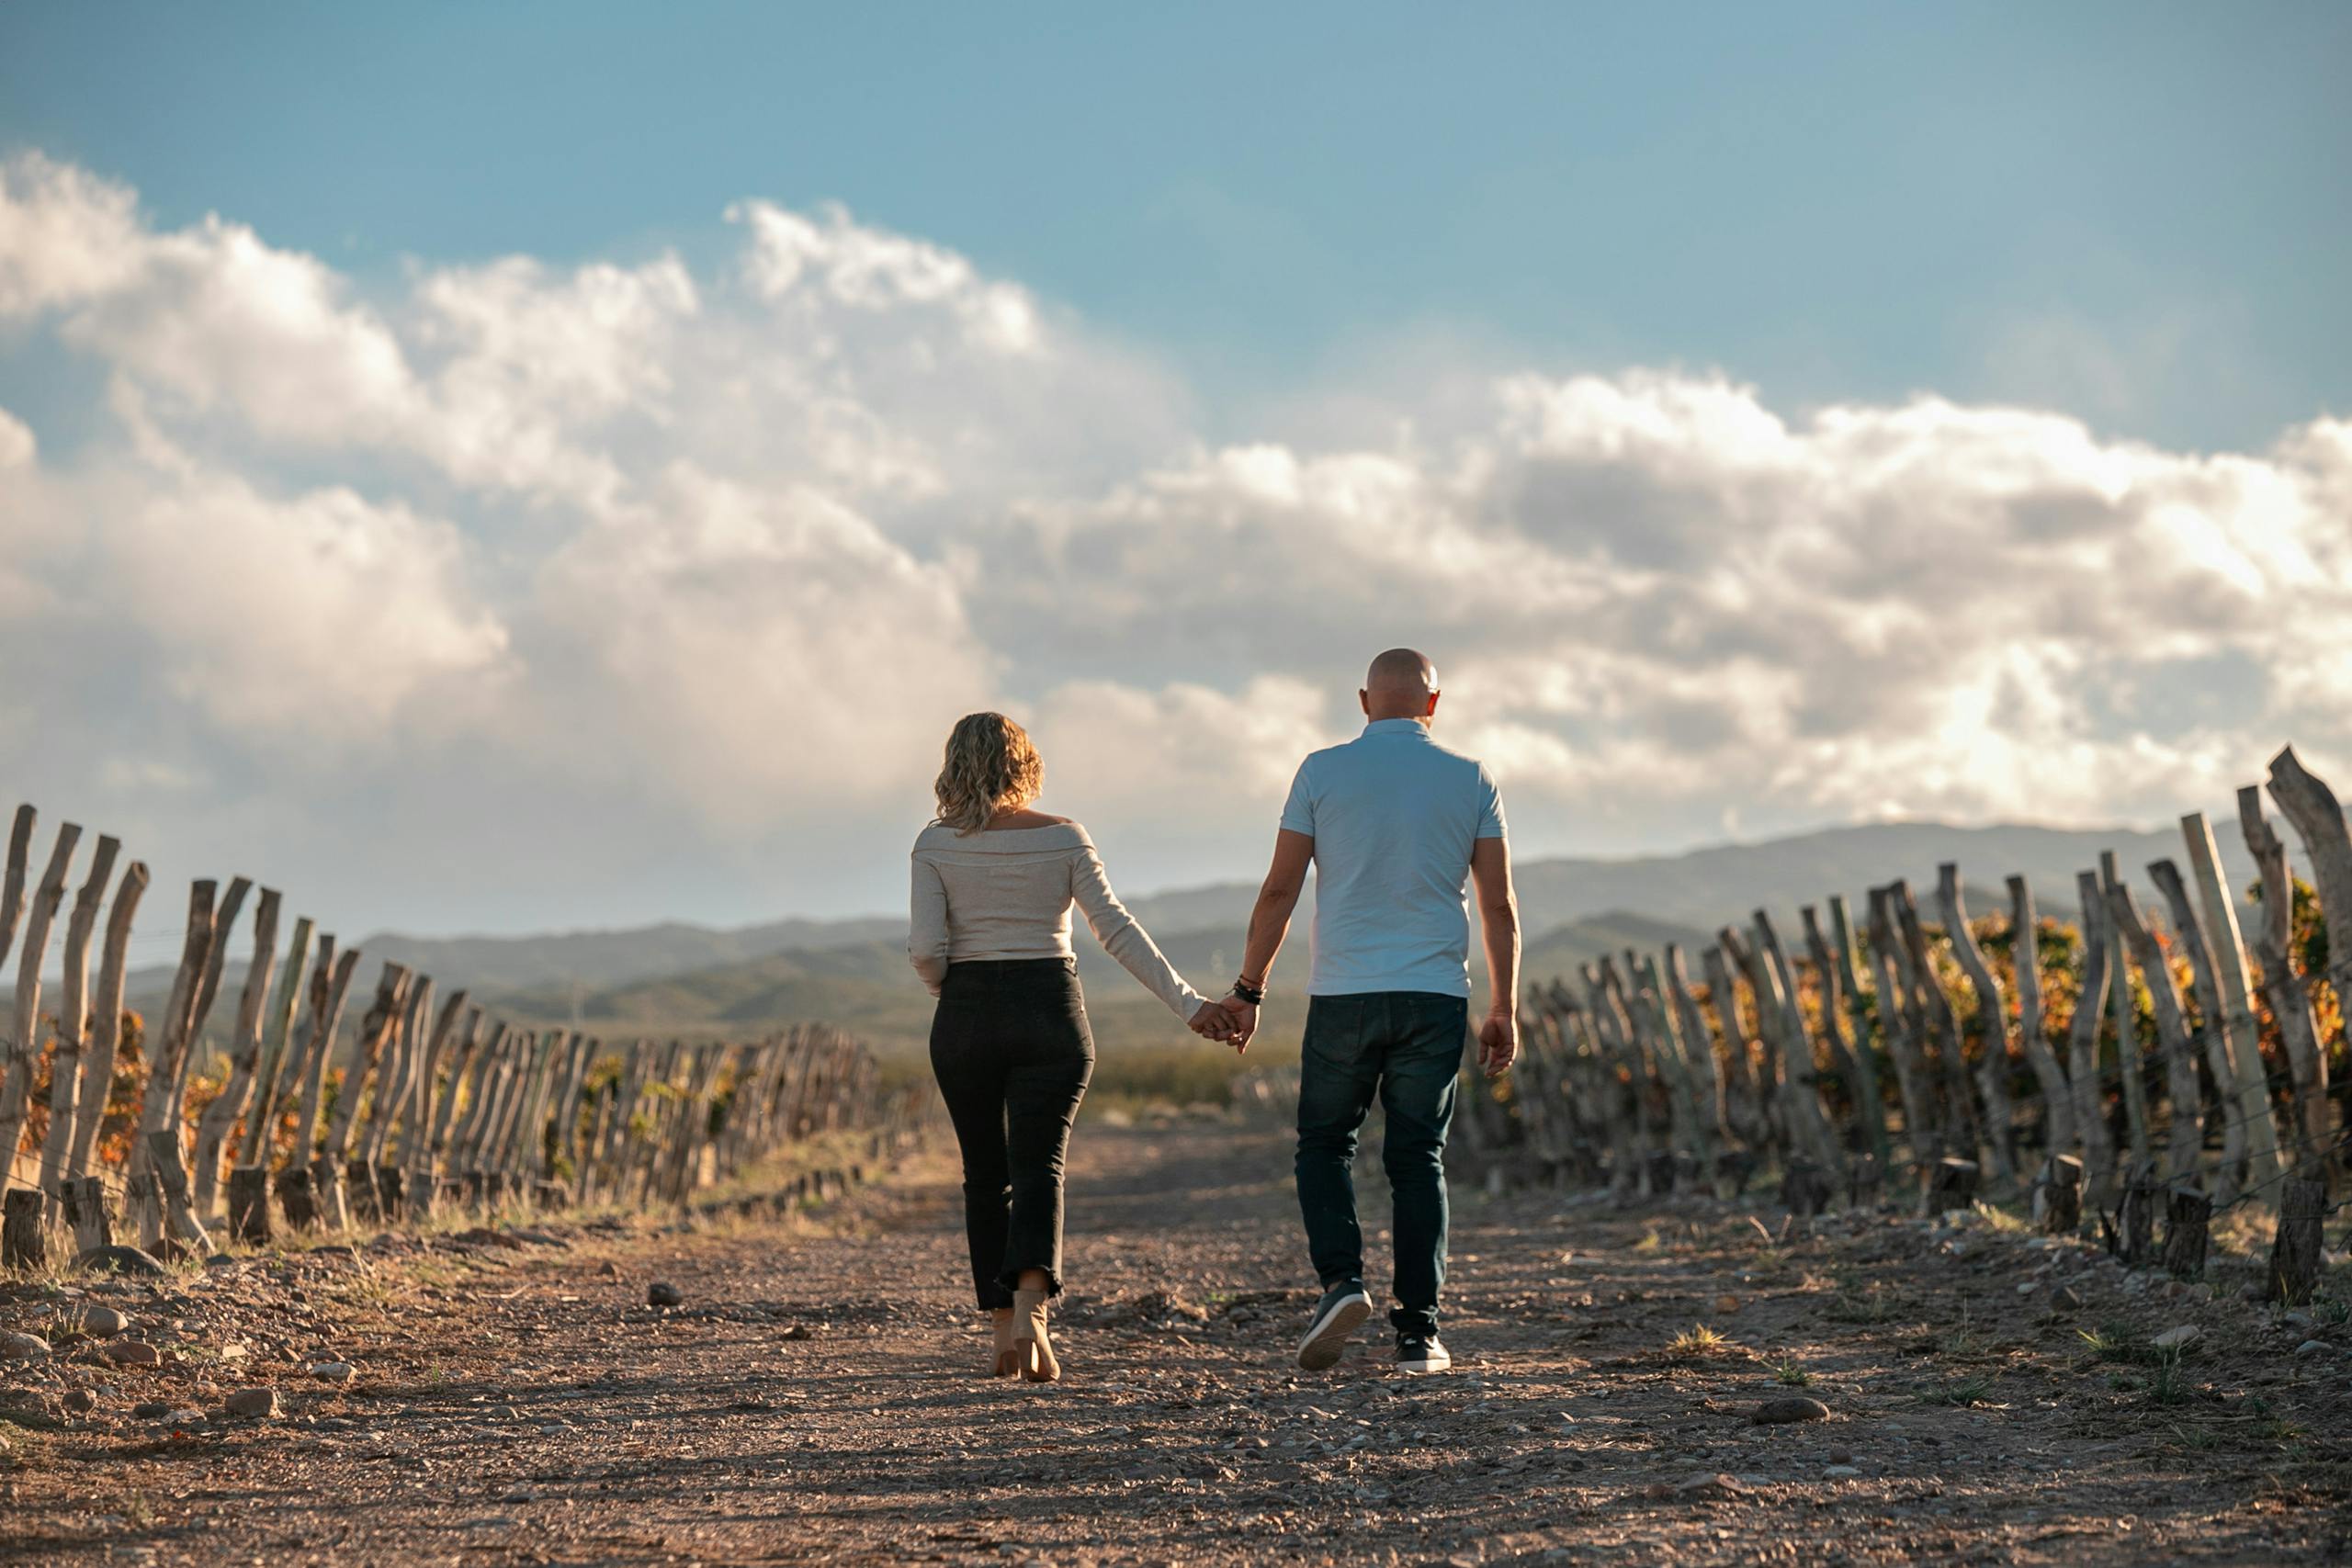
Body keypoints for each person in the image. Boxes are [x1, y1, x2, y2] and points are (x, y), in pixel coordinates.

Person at [1198, 649, 1520, 1374]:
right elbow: (1497, 904)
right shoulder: (1471, 778)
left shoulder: (1321, 771)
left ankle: (1342, 1283)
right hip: (1435, 996)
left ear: (1364, 701)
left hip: (1343, 993)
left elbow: (1279, 891)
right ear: (1434, 706)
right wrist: (1504, 1005)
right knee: (1418, 1157)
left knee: (1324, 1144)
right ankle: (1419, 1334)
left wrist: (1248, 991)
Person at [910, 711, 1236, 1382]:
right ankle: (1034, 1310)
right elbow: (1115, 928)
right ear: (1025, 764)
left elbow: (925, 948)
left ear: (953, 766)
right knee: (1041, 1167)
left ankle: (1001, 1326)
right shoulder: (1063, 837)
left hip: (967, 1013)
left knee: (984, 1173)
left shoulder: (933, 843)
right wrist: (1191, 1005)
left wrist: (949, 986)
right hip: (1049, 1009)